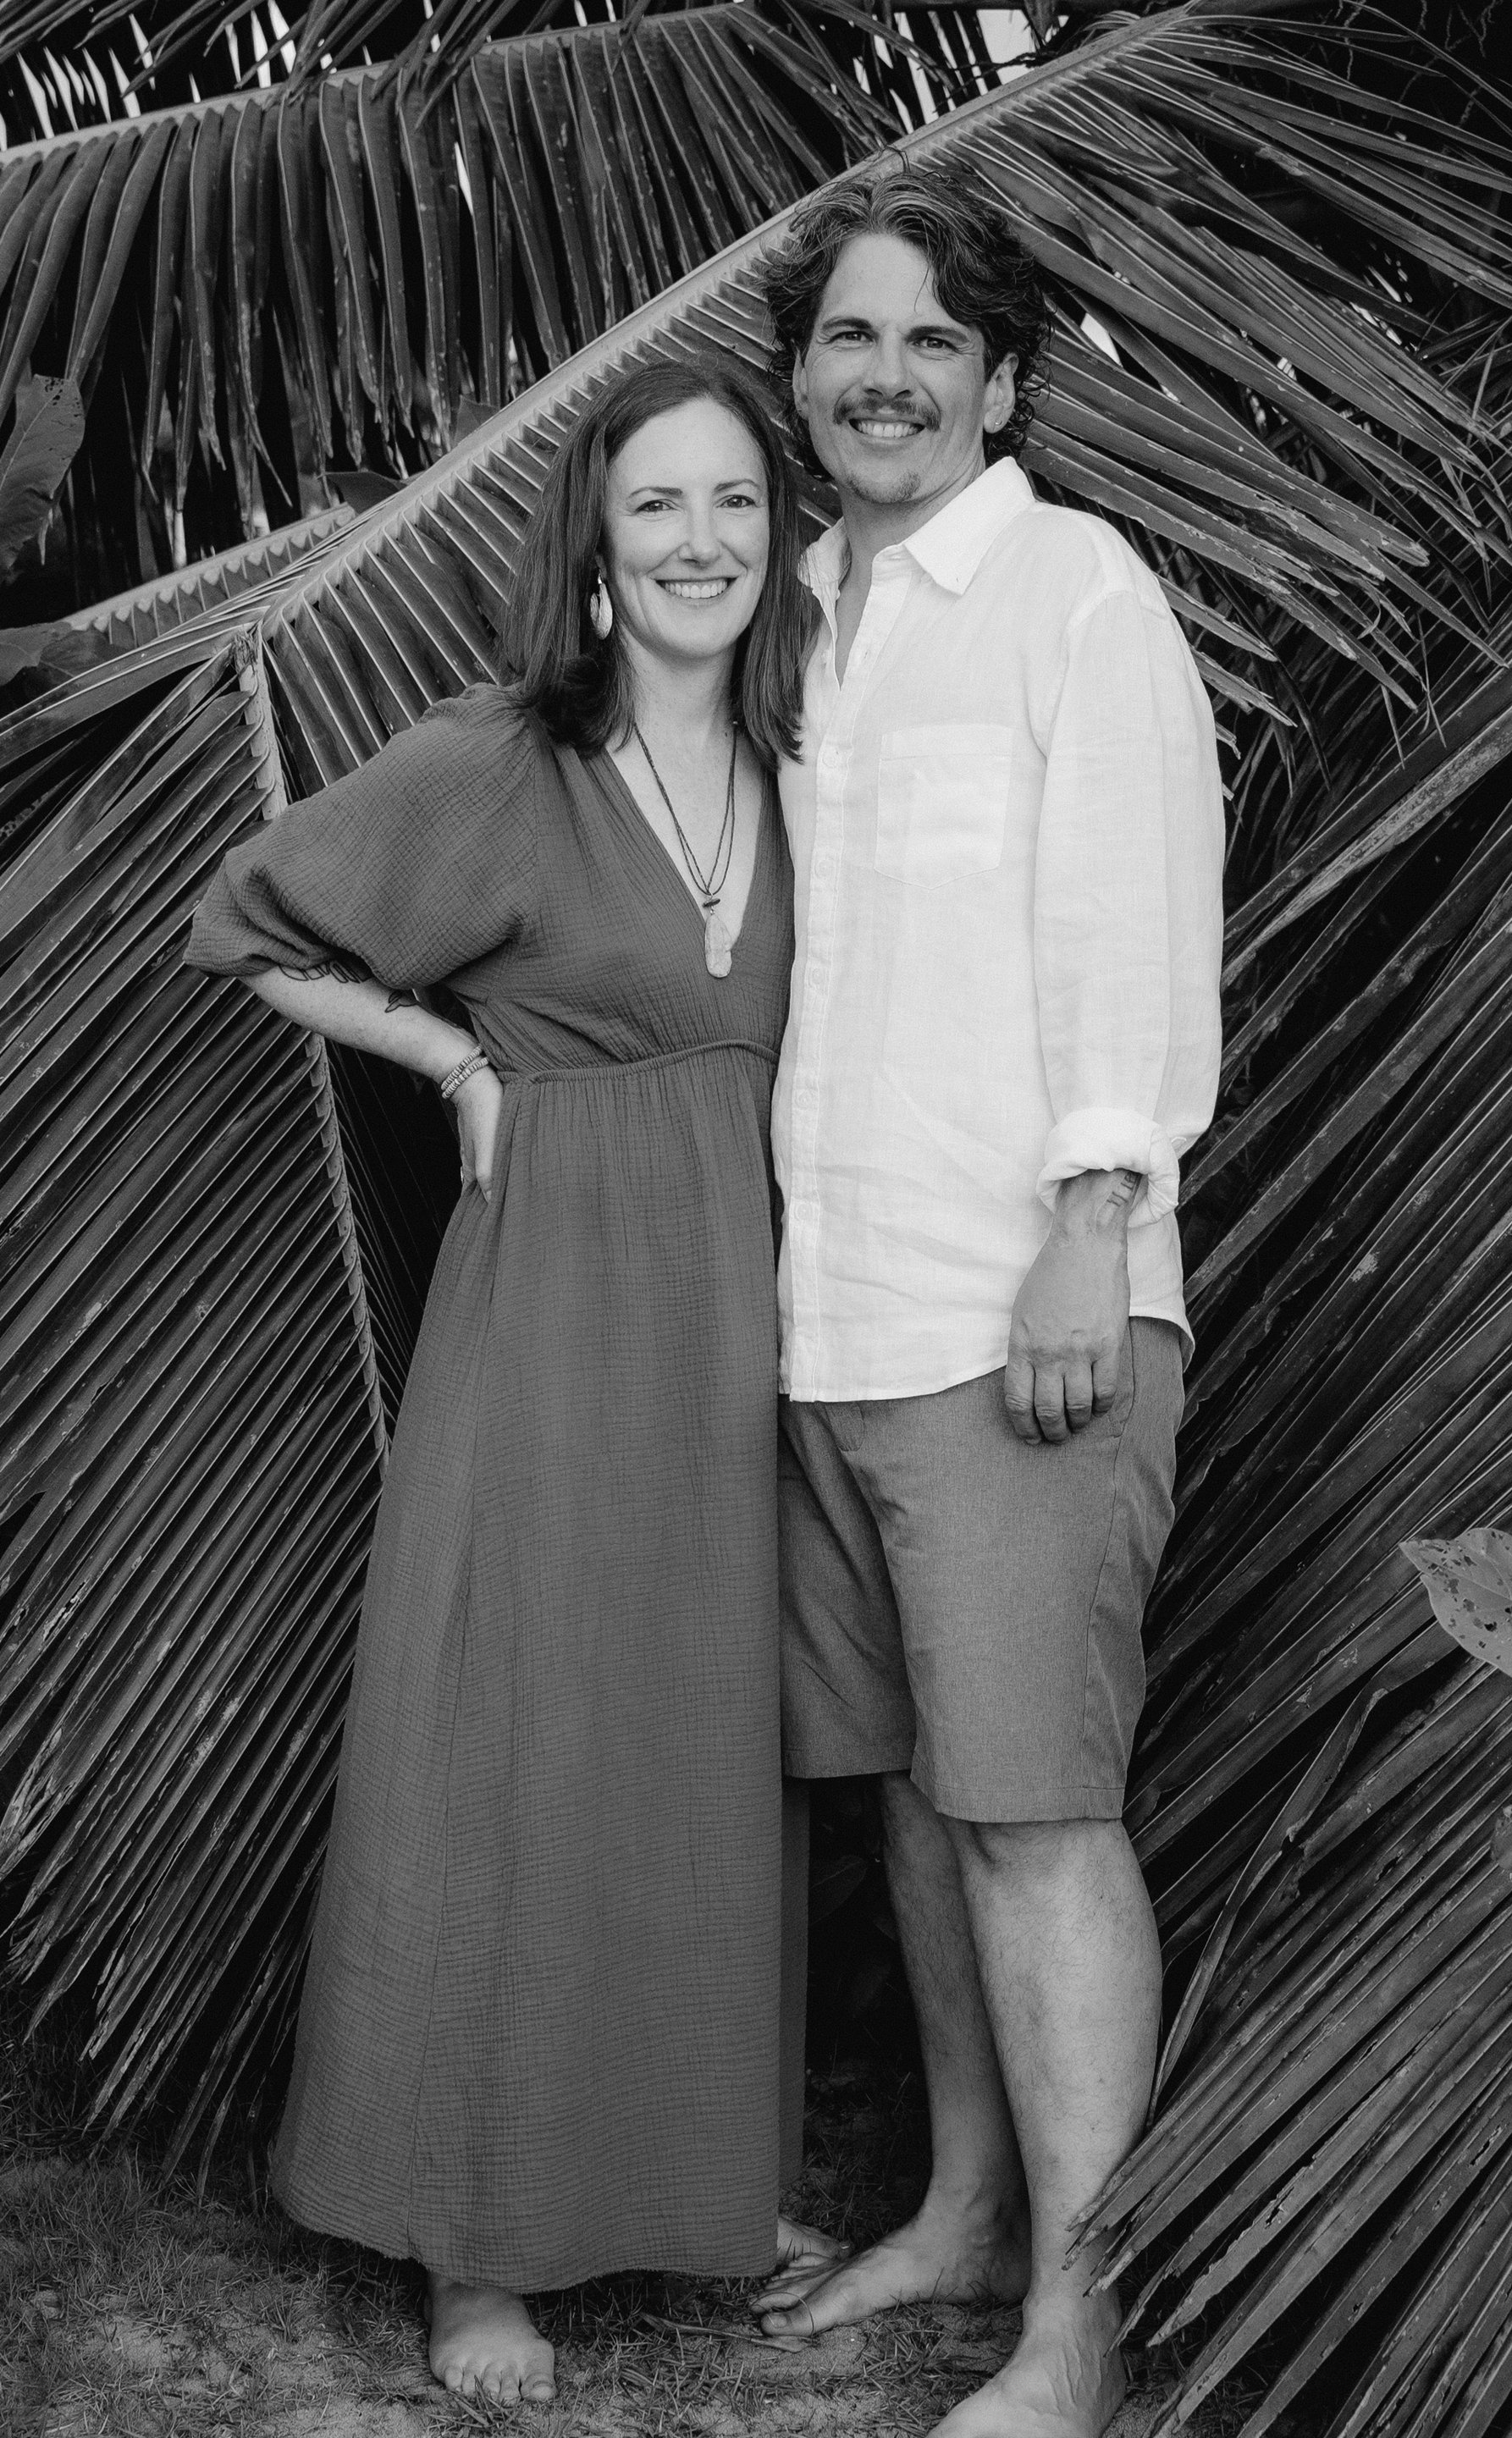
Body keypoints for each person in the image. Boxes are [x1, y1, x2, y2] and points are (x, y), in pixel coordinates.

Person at [186, 359, 842, 2407]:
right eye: (659, 506)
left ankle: (693, 2188)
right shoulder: (504, 757)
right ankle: (475, 2249)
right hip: (557, 1303)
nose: (701, 541)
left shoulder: (808, 757)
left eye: (735, 502)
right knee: (526, 1742)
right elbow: (244, 919)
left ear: (779, 535)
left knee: (696, 1748)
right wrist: (455, 1058)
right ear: (597, 547)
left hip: (741, 1321)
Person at [749, 165, 1225, 2437]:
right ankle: (956, 2216)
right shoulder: (787, 618)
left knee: (1035, 1816)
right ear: (802, 383)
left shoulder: (1072, 592)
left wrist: (1094, 1220)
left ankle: (1079, 2330)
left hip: (1020, 1308)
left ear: (1004, 384)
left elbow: (1133, 916)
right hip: (828, 1320)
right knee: (924, 1809)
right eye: (852, 337)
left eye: (934, 340)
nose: (888, 375)